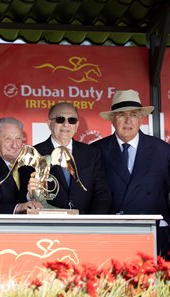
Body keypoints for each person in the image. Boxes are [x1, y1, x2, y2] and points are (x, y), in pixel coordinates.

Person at [92, 89, 170, 259]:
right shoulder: (96, 151)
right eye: (121, 115)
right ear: (112, 119)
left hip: (154, 236)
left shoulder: (162, 150)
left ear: (141, 118)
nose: (128, 121)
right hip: (111, 235)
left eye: (133, 115)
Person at [27, 102, 111, 213]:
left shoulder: (92, 154)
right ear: (49, 124)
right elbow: (25, 193)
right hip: (48, 225)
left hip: (85, 225)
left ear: (76, 126)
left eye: (72, 120)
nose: (66, 124)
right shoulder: (34, 154)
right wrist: (30, 195)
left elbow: (102, 193)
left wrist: (91, 223)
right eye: (60, 119)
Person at [0, 117, 41, 214]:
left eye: (18, 138)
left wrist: (30, 196)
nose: (15, 145)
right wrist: (18, 207)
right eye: (8, 139)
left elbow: (25, 199)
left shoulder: (28, 166)